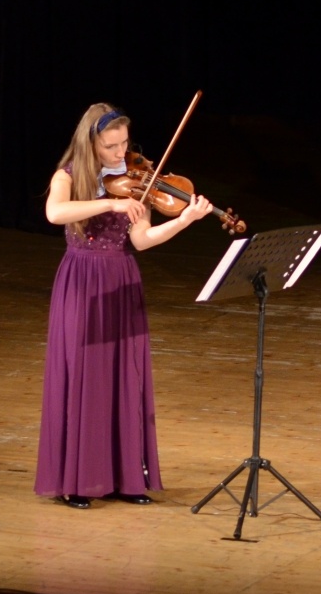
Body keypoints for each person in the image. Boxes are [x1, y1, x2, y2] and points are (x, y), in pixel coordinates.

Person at [34, 103, 213, 508]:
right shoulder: (67, 177)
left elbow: (141, 239)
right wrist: (110, 203)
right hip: (82, 282)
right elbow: (54, 213)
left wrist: (185, 220)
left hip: (121, 281)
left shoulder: (136, 180)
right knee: (83, 377)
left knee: (122, 377)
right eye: (110, 147)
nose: (120, 154)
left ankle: (124, 478)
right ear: (90, 144)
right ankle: (77, 480)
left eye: (125, 144)